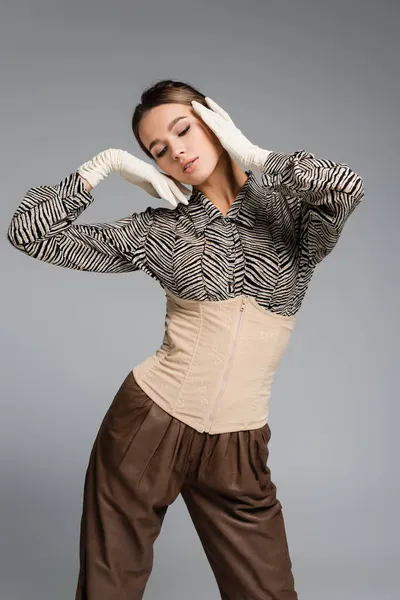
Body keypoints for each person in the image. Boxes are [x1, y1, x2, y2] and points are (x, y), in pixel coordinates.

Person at [7, 79, 365, 600]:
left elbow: (347, 186)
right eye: (157, 150)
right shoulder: (161, 231)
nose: (176, 151)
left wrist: (255, 156)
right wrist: (103, 167)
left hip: (239, 444)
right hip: (147, 427)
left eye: (183, 130)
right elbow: (28, 233)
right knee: (110, 589)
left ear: (213, 121)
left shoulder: (289, 217)